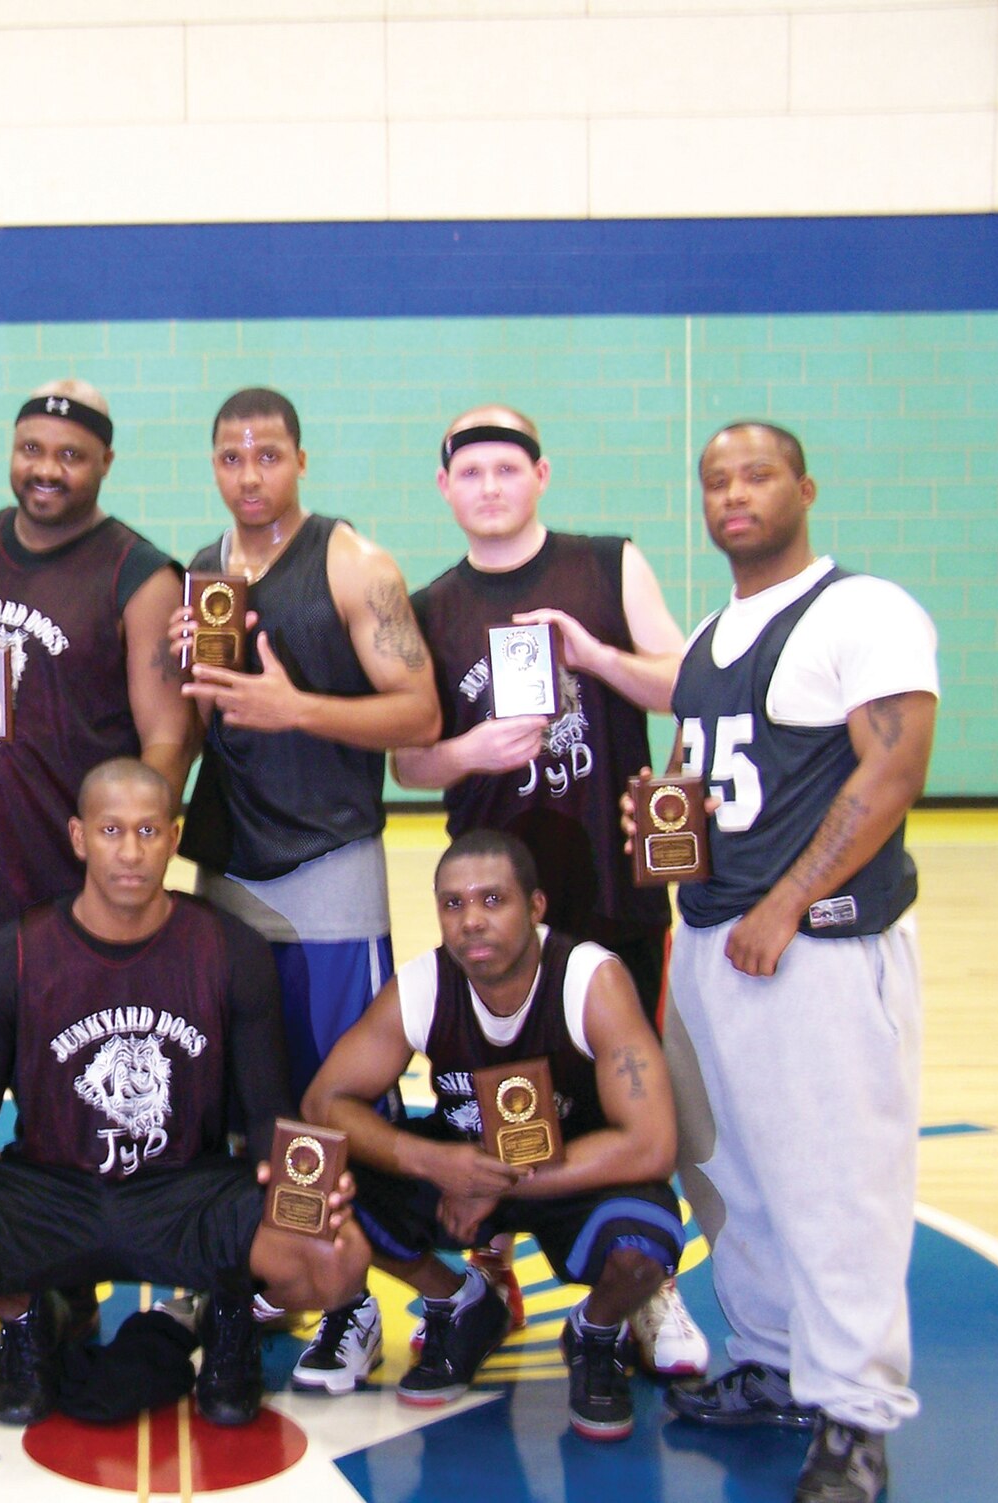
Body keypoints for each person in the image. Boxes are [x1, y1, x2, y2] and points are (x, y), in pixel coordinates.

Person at [0, 759, 371, 1428]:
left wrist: (305, 1185)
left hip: (187, 1191)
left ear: (174, 837)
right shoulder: (12, 954)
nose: (130, 851)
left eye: (148, 830)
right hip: (49, 1190)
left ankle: (228, 1311)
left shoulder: (229, 948)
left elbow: (268, 1116)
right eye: (112, 829)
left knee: (339, 1257)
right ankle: (27, 1316)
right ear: (77, 836)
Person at [651, 422, 935, 1503]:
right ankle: (772, 1364)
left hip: (814, 944)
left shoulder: (861, 611)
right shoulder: (711, 633)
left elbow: (892, 768)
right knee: (732, 1178)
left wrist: (783, 901)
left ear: (803, 487)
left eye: (755, 474)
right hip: (714, 942)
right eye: (715, 479)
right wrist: (657, 828)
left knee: (834, 1187)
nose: (733, 494)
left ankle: (855, 1419)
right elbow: (701, 781)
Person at [396, 404, 704, 1377]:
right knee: (499, 1093)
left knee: (626, 1095)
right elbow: (408, 763)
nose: (488, 486)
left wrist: (598, 658)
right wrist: (467, 750)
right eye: (469, 473)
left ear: (540, 475)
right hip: (492, 911)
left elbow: (689, 681)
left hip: (608, 889)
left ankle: (646, 1291)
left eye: (506, 468)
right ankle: (494, 1268)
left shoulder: (606, 566)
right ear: (444, 489)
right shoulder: (429, 605)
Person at [301, 830, 683, 1442]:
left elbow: (652, 1143)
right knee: (320, 1182)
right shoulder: (425, 985)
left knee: (646, 1244)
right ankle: (460, 1302)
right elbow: (325, 1102)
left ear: (535, 908)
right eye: (452, 904)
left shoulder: (590, 980)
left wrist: (501, 1182)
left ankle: (597, 1331)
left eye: (491, 900)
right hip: (461, 1166)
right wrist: (432, 1161)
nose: (470, 921)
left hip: (570, 1177)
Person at [0, 380, 195, 1096]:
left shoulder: (139, 574)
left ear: (106, 462)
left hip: (65, 901)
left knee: (75, 1101)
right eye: (31, 449)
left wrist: (127, 852)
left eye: (70, 455)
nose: (46, 468)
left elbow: (170, 739)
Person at [173, 388, 440, 1100]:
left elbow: (420, 715)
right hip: (229, 863)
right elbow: (204, 725)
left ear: (301, 460)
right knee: (242, 1086)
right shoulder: (206, 570)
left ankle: (359, 1216)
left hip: (328, 861)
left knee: (335, 1087)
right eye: (232, 458)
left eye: (268, 456)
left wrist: (297, 710)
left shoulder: (354, 563)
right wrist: (189, 678)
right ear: (214, 466)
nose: (250, 476)